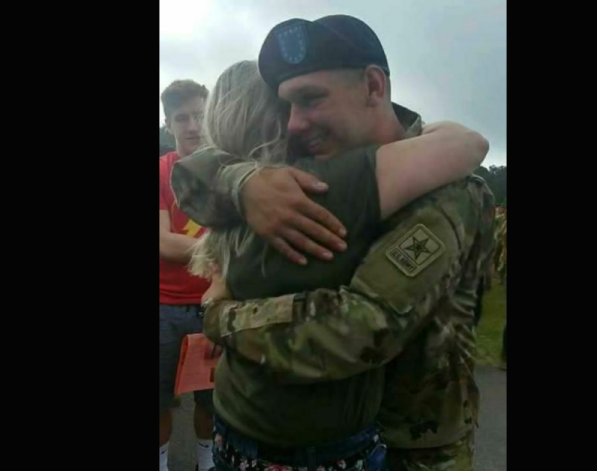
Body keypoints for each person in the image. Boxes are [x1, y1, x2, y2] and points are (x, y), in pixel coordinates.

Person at [176, 15, 496, 471]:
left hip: (417, 442)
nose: (292, 125)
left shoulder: (448, 193)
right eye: (287, 107)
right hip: (347, 435)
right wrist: (243, 180)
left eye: (310, 100)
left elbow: (361, 330)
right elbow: (196, 169)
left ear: (372, 85)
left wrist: (222, 315)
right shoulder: (328, 164)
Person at [158, 79, 215, 471]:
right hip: (165, 306)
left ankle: (205, 463)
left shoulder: (229, 169)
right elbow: (162, 244)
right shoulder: (160, 171)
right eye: (182, 118)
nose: (193, 126)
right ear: (168, 124)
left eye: (200, 115)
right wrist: (226, 251)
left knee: (213, 399)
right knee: (160, 399)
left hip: (217, 303)